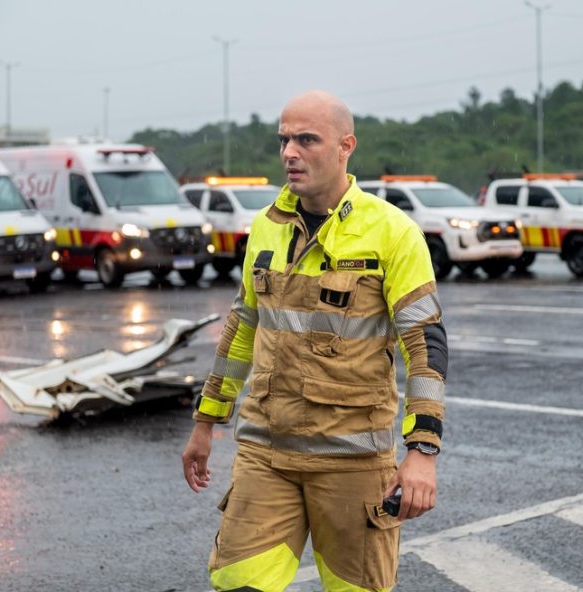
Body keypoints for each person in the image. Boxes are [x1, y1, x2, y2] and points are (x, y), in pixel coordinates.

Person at [181, 90, 447, 592]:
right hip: (266, 453)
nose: (289, 153)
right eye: (284, 140)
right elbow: (242, 328)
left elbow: (424, 346)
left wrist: (422, 452)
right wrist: (206, 421)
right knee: (236, 583)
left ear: (346, 146)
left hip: (352, 461)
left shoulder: (392, 232)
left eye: (306, 140)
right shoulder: (265, 227)